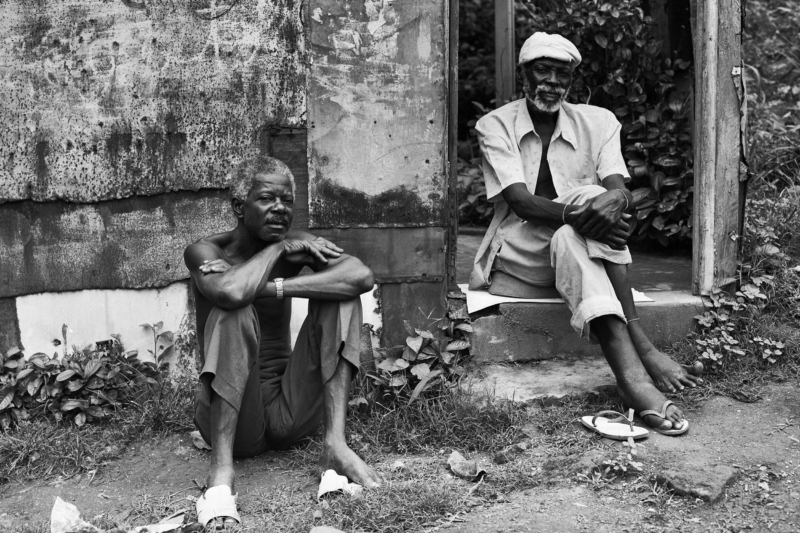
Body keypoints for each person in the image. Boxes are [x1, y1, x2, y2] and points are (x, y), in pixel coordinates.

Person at [469, 32, 703, 435]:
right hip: (521, 257)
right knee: (585, 206)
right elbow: (522, 203)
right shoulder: (495, 125)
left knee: (583, 217)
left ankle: (631, 376)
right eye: (543, 70)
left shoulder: (599, 121)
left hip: (576, 253)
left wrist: (618, 203)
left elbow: (618, 191)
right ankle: (639, 351)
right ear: (524, 74)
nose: (552, 82)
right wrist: (595, 210)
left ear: (572, 81)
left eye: (562, 74)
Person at [184, 155, 381, 528]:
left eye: (287, 201)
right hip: (235, 418)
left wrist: (279, 285)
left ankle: (335, 445)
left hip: (290, 412)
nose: (280, 210)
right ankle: (221, 475)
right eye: (267, 199)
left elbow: (360, 275)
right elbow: (230, 292)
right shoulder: (205, 252)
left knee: (341, 298)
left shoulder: (300, 245)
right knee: (233, 309)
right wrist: (275, 250)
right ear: (239, 207)